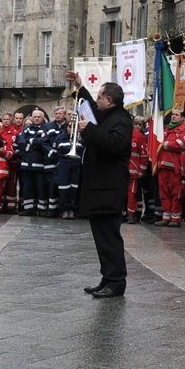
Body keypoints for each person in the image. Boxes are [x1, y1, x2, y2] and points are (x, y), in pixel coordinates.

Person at [78, 81, 136, 298]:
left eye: (100, 97)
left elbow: (114, 145)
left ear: (109, 100)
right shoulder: (106, 117)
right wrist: (80, 87)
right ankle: (107, 277)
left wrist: (90, 130)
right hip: (98, 189)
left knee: (110, 238)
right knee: (101, 239)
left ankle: (116, 282)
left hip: (109, 190)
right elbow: (91, 110)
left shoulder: (121, 120)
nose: (97, 100)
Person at [156, 109, 185, 227]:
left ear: (182, 118)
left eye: (177, 115)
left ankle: (175, 218)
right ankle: (166, 217)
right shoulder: (166, 130)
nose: (173, 117)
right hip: (163, 167)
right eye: (173, 114)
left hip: (176, 169)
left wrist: (164, 145)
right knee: (164, 193)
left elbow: (180, 144)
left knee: (176, 194)